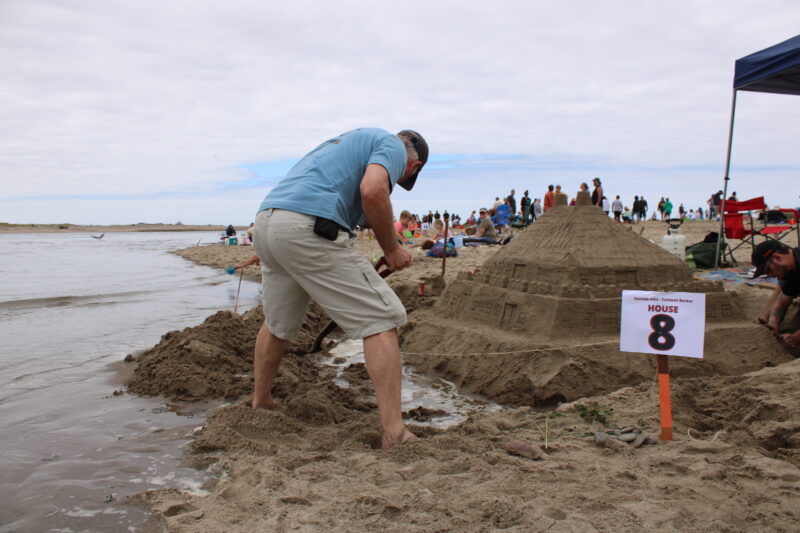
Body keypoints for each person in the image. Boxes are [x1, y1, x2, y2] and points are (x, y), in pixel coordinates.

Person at [251, 127, 428, 449]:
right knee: (383, 318)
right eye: (402, 180)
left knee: (278, 325)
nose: (396, 181)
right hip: (307, 227)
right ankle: (395, 431)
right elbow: (373, 191)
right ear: (413, 165)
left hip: (267, 223)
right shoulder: (391, 144)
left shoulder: (341, 144)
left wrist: (275, 242)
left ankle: (260, 401)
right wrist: (391, 250)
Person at [753, 241, 800, 347]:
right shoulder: (789, 273)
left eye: (768, 270)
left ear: (778, 258)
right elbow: (782, 303)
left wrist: (797, 336)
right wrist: (773, 324)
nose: (770, 275)